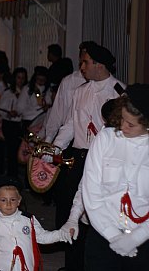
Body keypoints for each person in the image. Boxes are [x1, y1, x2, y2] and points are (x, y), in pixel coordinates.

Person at [50, 42, 125, 271]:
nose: (81, 66)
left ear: (99, 65)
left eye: (85, 62)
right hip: (79, 156)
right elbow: (72, 124)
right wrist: (54, 149)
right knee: (69, 207)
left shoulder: (119, 92)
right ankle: (72, 265)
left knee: (97, 214)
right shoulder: (81, 91)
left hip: (105, 160)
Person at [81, 84, 149, 269]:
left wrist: (137, 237)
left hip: (143, 239)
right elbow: (91, 192)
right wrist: (113, 234)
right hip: (103, 233)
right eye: (122, 119)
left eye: (131, 124)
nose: (122, 126)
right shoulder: (106, 138)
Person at [0, 175, 71, 270]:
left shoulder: (28, 219)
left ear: (19, 201)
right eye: (3, 200)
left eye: (13, 199)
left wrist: (61, 234)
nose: (8, 204)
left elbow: (42, 237)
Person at [0, 67, 27, 179]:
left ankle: (15, 173)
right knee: (11, 150)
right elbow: (0, 107)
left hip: (20, 123)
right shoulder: (9, 92)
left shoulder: (27, 91)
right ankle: (11, 174)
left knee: (18, 149)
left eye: (23, 78)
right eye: (18, 78)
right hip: (10, 123)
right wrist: (9, 113)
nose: (20, 80)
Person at [17, 66, 52, 130]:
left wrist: (47, 106)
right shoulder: (27, 88)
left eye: (43, 80)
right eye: (39, 79)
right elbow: (20, 107)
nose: (41, 81)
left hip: (43, 121)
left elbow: (49, 102)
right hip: (29, 121)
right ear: (35, 78)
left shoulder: (47, 89)